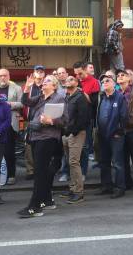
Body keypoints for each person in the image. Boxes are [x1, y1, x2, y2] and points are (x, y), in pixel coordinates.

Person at [19, 74, 66, 218]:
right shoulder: (40, 97)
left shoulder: (59, 98)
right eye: (44, 81)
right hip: (36, 136)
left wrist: (51, 121)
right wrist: (27, 87)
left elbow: (65, 120)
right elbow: (26, 101)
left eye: (48, 81)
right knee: (42, 171)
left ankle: (35, 207)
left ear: (54, 86)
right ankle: (47, 200)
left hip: (48, 138)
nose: (44, 83)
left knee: (39, 172)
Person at [96, 73, 128, 198]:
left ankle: (120, 188)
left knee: (117, 163)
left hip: (115, 136)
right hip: (103, 135)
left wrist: (119, 132)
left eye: (107, 80)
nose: (104, 83)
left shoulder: (119, 97)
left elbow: (124, 116)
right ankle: (106, 186)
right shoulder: (102, 97)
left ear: (114, 83)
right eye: (103, 81)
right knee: (104, 162)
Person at [61, 75, 90, 204]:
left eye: (71, 79)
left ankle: (79, 192)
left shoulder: (80, 97)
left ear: (77, 82)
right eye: (67, 80)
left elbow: (84, 118)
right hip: (66, 133)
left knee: (74, 161)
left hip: (76, 134)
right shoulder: (67, 96)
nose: (68, 81)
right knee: (70, 161)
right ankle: (73, 188)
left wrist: (72, 131)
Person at [0, 68, 23, 185]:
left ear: (9, 76)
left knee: (9, 151)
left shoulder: (16, 88)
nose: (3, 78)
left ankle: (11, 174)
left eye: (5, 75)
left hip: (11, 123)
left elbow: (22, 103)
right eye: (1, 76)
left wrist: (9, 104)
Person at [24, 64, 47, 181]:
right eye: (38, 71)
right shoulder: (29, 86)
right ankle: (30, 170)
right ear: (33, 73)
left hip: (44, 121)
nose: (40, 73)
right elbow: (23, 101)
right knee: (29, 147)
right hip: (30, 120)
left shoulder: (47, 85)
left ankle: (40, 170)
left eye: (42, 71)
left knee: (41, 147)